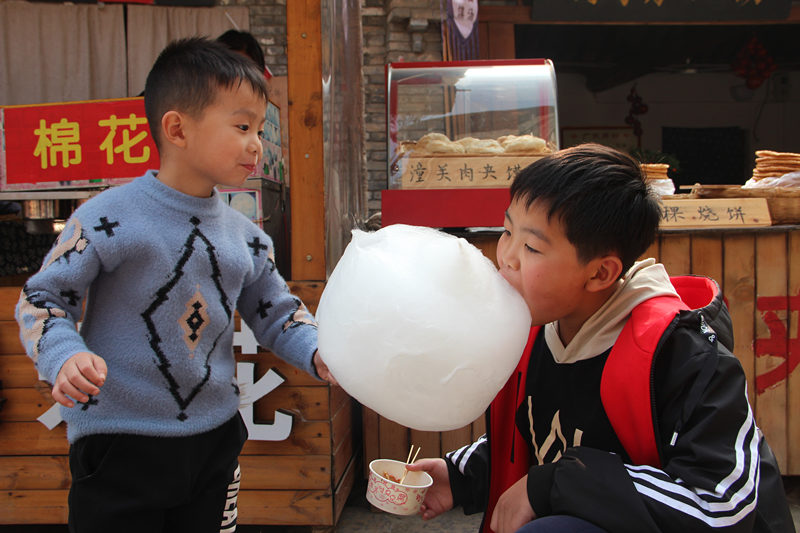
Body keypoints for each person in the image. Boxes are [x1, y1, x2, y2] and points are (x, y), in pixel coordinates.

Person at [15, 37, 335, 533]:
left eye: (261, 129)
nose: (257, 143)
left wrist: (320, 352)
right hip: (119, 440)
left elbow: (276, 312)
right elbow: (42, 297)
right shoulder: (106, 218)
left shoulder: (248, 238)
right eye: (242, 126)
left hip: (216, 439)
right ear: (177, 128)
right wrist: (62, 355)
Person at [406, 143, 794, 533]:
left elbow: (721, 504)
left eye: (532, 246)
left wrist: (552, 485)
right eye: (507, 231)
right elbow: (544, 439)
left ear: (600, 274)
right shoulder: (538, 333)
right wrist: (458, 475)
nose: (507, 256)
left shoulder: (684, 356)